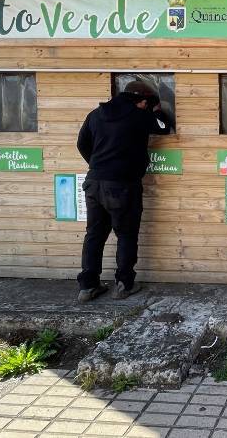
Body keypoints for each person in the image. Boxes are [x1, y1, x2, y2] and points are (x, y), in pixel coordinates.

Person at [75, 83, 171, 302]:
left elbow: (81, 143)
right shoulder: (139, 116)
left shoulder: (96, 114)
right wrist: (155, 112)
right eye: (146, 103)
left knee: (94, 235)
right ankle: (124, 284)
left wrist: (98, 165)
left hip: (95, 182)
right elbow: (164, 127)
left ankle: (88, 286)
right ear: (140, 101)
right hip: (123, 185)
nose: (146, 106)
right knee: (126, 234)